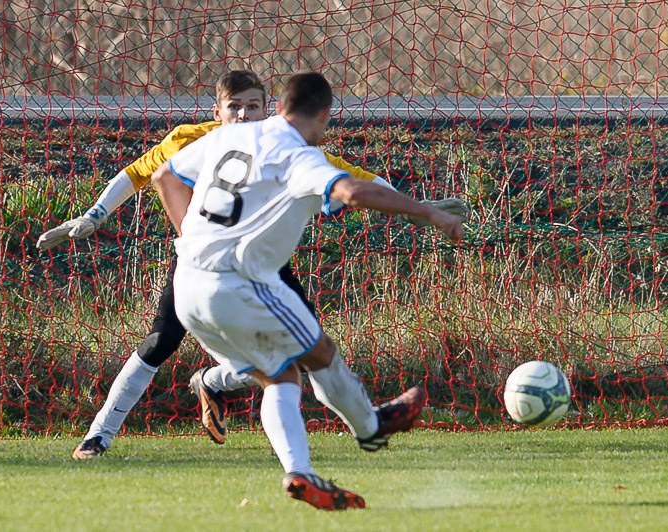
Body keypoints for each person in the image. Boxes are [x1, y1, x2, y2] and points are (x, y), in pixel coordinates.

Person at [36, 70, 466, 459]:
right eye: (234, 107)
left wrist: (414, 206)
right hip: (203, 262)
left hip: (260, 266)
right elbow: (144, 173)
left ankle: (221, 388)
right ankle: (99, 434)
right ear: (217, 111)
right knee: (164, 343)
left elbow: (352, 177)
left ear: (269, 108)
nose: (243, 115)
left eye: (252, 106)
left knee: (296, 356)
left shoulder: (282, 145)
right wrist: (97, 215)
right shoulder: (199, 138)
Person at [153, 71, 463, 510]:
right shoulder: (299, 156)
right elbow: (351, 191)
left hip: (187, 283)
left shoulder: (228, 136)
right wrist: (429, 212)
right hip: (240, 283)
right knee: (319, 354)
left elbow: (164, 175)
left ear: (279, 106)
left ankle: (307, 466)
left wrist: (196, 239)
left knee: (279, 374)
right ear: (324, 115)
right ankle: (367, 430)